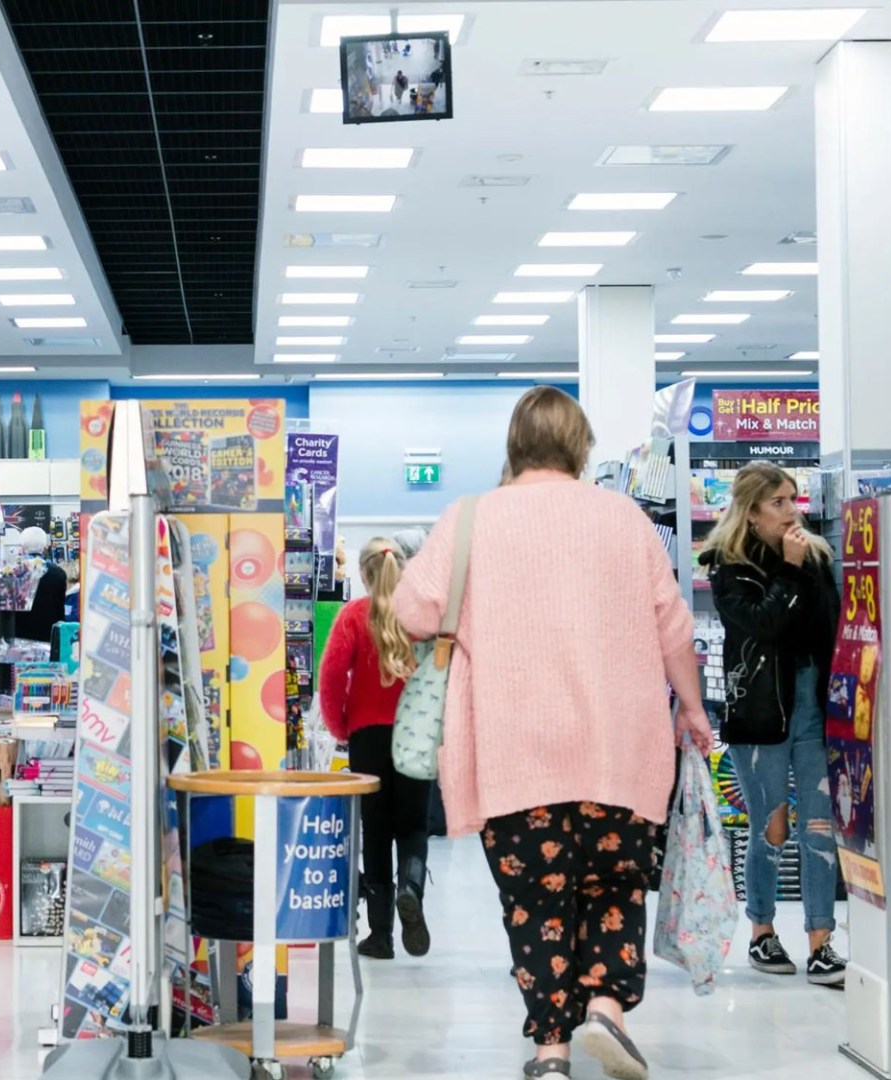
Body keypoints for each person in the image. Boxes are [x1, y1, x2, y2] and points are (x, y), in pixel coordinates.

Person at [393, 387, 712, 1080]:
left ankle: (551, 1052)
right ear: (580, 445)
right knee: (614, 884)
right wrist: (692, 709)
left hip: (515, 756)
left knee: (536, 901)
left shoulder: (472, 519)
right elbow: (674, 627)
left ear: (513, 444)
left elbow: (412, 609)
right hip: (620, 753)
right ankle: (606, 1007)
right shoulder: (624, 519)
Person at [701, 461, 847, 987]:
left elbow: (827, 627)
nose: (793, 511)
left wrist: (805, 568)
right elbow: (762, 624)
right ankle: (762, 931)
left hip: (812, 705)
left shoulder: (814, 556)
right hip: (761, 714)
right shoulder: (726, 566)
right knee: (770, 828)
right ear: (753, 511)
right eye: (780, 502)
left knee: (818, 826)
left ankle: (821, 942)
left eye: (794, 499)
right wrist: (787, 570)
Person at [318, 538, 432, 958]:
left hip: (367, 738)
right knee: (414, 827)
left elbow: (330, 678)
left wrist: (341, 728)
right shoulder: (421, 619)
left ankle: (381, 935)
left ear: (364, 575)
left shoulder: (352, 616)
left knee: (377, 833)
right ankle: (411, 888)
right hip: (416, 734)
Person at [13, 526, 69, 653]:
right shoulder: (58, 573)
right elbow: (60, 609)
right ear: (45, 547)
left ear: (21, 546)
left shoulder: (13, 573)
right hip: (48, 637)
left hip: (19, 637)